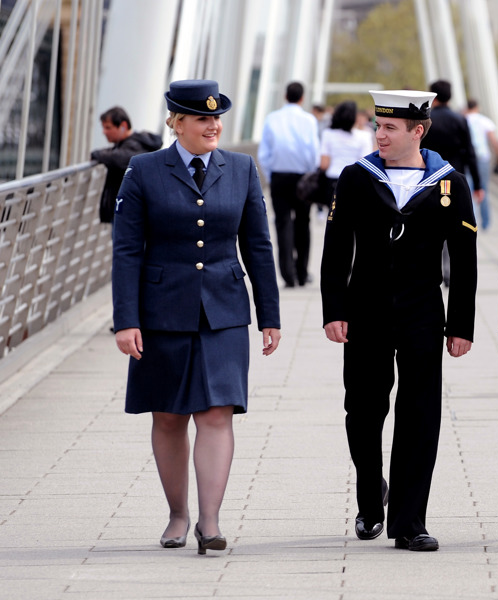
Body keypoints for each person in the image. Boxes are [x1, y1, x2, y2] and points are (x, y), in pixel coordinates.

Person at [112, 79, 282, 555]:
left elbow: (259, 247)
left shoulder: (243, 169)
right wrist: (125, 319)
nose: (213, 126)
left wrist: (269, 314)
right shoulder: (143, 171)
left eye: (217, 117)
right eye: (203, 118)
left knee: (217, 412)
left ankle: (210, 522)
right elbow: (126, 250)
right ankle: (177, 515)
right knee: (168, 416)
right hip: (161, 313)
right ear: (177, 122)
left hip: (225, 312)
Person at [321, 89, 478, 552]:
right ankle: (372, 496)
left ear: (418, 130)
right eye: (377, 126)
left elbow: (465, 261)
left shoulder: (451, 184)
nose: (379, 134)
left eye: (390, 127)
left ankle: (410, 522)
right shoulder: (355, 177)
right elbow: (335, 250)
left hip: (423, 314)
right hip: (365, 312)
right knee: (363, 411)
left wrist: (461, 326)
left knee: (420, 414)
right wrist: (334, 311)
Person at [420, 80, 483, 287]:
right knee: (453, 225)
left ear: (433, 97)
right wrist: (478, 185)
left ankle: (431, 269)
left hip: (427, 178)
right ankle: (449, 271)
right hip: (455, 178)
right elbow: (470, 153)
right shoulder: (459, 119)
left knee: (428, 224)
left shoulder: (426, 120)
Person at [258, 81, 320, 288]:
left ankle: (287, 275)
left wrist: (271, 174)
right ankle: (302, 273)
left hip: (279, 177)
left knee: (282, 224)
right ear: (302, 98)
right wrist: (311, 174)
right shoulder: (309, 120)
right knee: (303, 224)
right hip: (303, 177)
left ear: (285, 95)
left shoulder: (272, 118)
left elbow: (264, 153)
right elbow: (313, 152)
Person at [91, 106, 162, 223]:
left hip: (130, 215)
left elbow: (119, 158)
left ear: (123, 126)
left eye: (108, 127)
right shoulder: (136, 144)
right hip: (132, 212)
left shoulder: (135, 146)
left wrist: (97, 154)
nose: (104, 132)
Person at [319, 100, 374, 207]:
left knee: (332, 217)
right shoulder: (364, 136)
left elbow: (324, 164)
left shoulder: (328, 134)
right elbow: (365, 164)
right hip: (354, 182)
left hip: (333, 180)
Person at [464, 98, 498, 230]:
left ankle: (471, 222)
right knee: (483, 188)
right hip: (483, 158)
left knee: (468, 189)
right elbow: (493, 140)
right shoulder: (484, 121)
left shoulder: (463, 120)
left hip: (468, 159)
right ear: (477, 107)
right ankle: (485, 223)